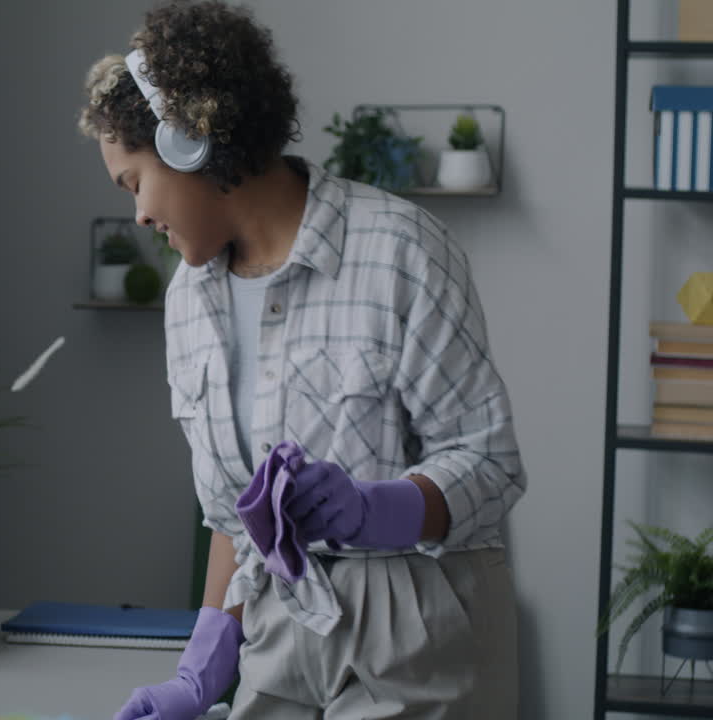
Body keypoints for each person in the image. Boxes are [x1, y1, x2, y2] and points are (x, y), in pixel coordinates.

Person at [76, 2, 526, 719]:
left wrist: (375, 509)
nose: (139, 215)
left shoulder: (401, 250)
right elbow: (230, 518)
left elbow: (490, 465)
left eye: (134, 183)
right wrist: (199, 671)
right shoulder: (189, 298)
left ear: (189, 142)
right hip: (277, 628)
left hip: (415, 631)